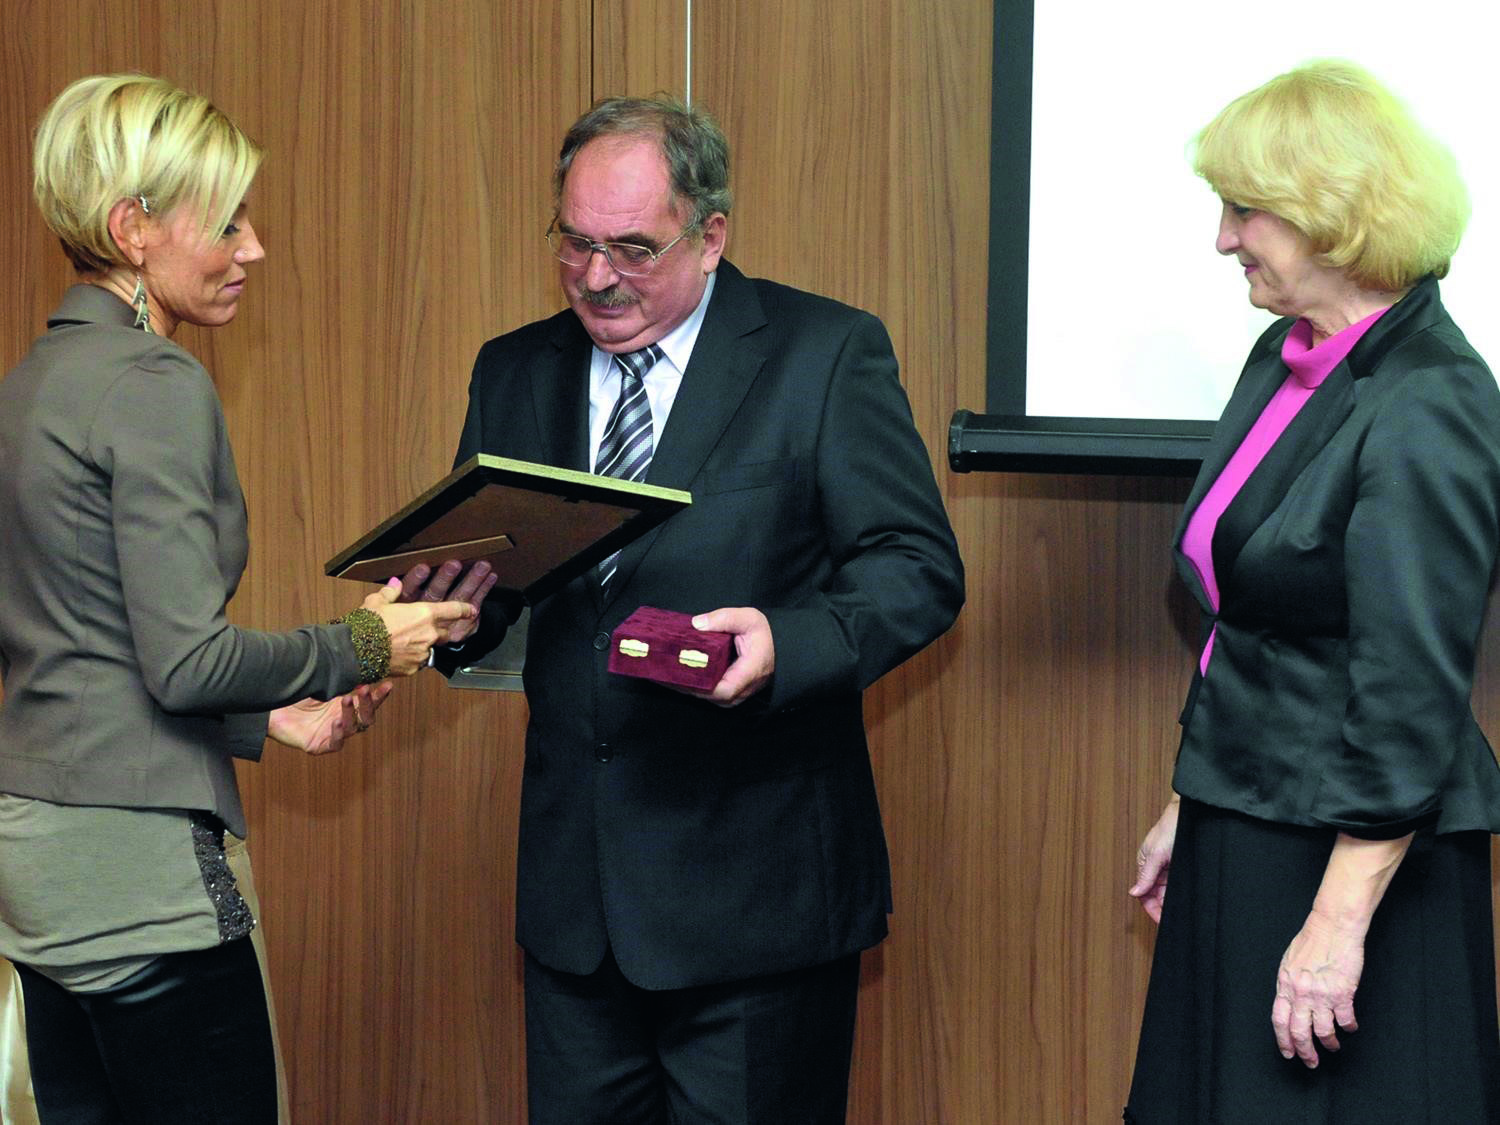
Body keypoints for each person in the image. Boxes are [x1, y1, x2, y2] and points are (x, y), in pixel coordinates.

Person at [411, 94, 964, 1123]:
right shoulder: (517, 369)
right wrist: (445, 607)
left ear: (711, 237)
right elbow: (496, 581)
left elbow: (917, 568)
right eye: (573, 244)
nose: (597, 276)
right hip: (577, 913)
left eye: (632, 247)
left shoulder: (824, 354)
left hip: (758, 902)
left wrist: (789, 644)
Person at [0, 74, 483, 1123]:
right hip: (139, 873)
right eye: (226, 222)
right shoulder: (154, 383)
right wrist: (363, 641)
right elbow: (183, 658)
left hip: (37, 864)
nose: (253, 248)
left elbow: (90, 642)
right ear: (133, 230)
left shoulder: (32, 383)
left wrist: (262, 719)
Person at [1125, 61, 1500, 1122]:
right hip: (1248, 819)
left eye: (1245, 210)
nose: (1223, 238)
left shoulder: (1431, 402)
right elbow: (1250, 618)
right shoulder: (1288, 355)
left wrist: (1336, 931)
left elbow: (1408, 691)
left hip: (1358, 862)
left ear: (1333, 216)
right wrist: (1188, 798)